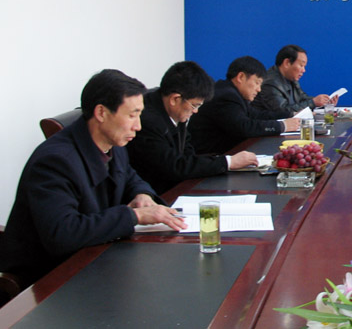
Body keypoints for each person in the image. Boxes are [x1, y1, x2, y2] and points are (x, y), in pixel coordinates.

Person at [0, 70, 187, 289]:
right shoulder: (54, 161)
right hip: (51, 279)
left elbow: (129, 175)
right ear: (101, 113)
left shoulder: (113, 142)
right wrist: (134, 216)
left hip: (96, 257)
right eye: (132, 115)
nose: (138, 126)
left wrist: (142, 194)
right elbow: (63, 234)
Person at [128, 61, 260, 194]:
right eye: (195, 105)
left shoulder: (174, 109)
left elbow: (188, 153)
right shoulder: (148, 121)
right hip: (157, 194)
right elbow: (174, 166)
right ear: (175, 99)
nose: (196, 111)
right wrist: (228, 162)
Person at [189, 56, 299, 154]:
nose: (259, 89)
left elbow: (257, 115)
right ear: (241, 77)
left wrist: (290, 115)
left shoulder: (233, 93)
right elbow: (245, 127)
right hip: (210, 157)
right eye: (257, 83)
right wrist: (282, 126)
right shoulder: (226, 96)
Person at [253, 44, 337, 115]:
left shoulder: (291, 79)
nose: (304, 70)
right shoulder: (270, 83)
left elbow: (303, 99)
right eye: (301, 65)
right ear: (287, 63)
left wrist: (323, 103)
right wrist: (313, 102)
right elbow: (283, 112)